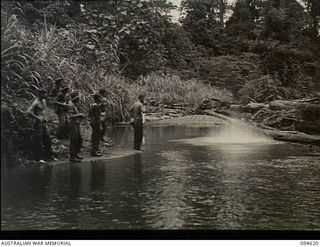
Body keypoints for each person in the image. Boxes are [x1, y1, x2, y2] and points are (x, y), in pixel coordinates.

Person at [27, 89, 57, 163]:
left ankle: (49, 156)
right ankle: (39, 158)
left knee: (48, 140)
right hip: (39, 124)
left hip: (44, 123)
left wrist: (46, 118)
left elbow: (44, 111)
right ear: (40, 94)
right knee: (38, 141)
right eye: (44, 94)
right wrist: (38, 118)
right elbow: (29, 111)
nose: (45, 96)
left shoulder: (44, 101)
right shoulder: (36, 102)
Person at [68, 91, 84, 162]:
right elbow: (70, 116)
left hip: (77, 124)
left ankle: (75, 154)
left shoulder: (74, 104)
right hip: (73, 124)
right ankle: (72, 156)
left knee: (79, 139)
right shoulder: (71, 105)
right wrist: (79, 115)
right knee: (74, 139)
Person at [1, 103, 16, 171]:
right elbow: (13, 119)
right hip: (6, 132)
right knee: (9, 150)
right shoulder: (5, 107)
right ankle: (10, 168)